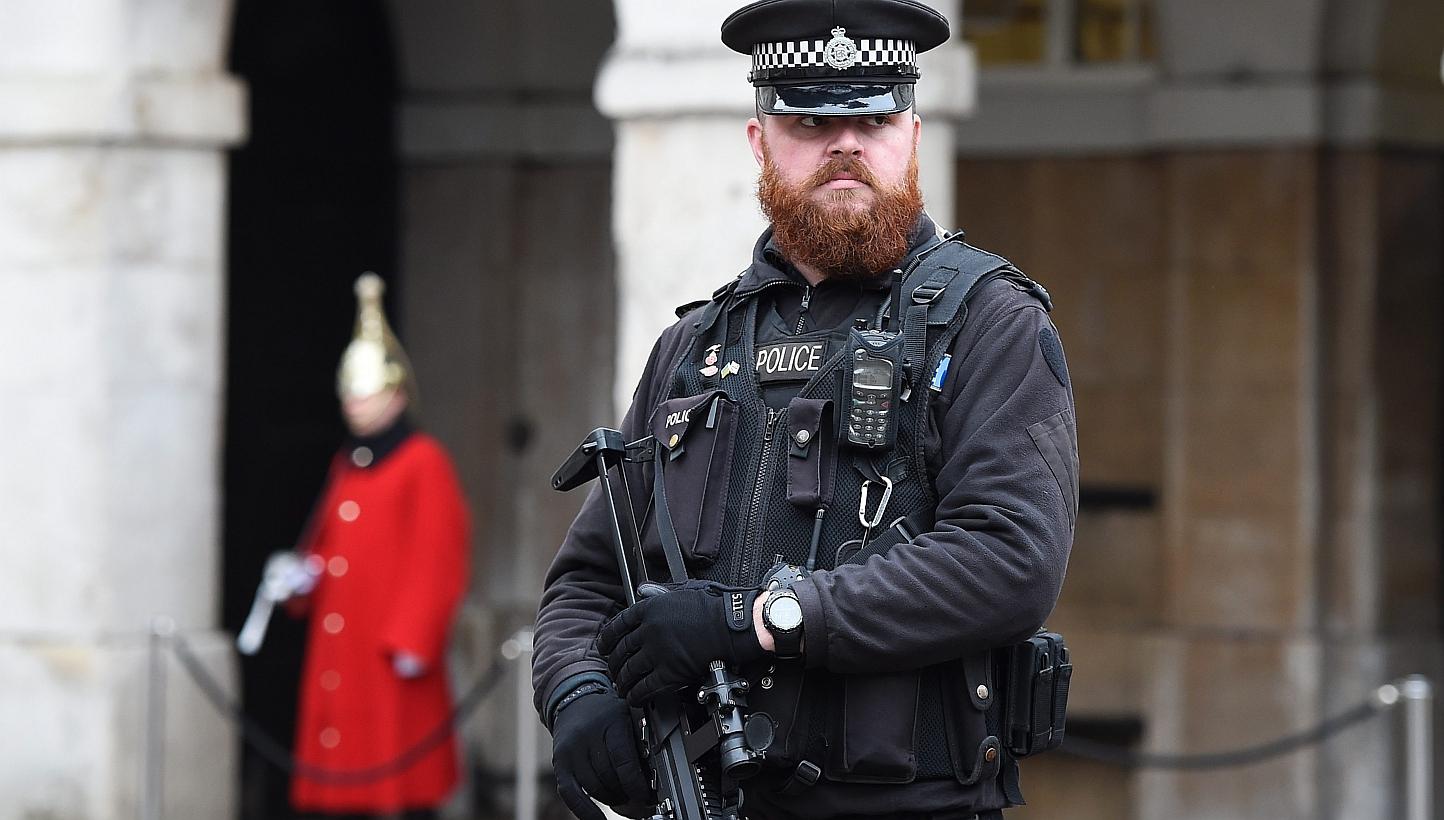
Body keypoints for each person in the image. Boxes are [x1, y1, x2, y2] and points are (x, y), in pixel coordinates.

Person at [532, 1, 1077, 818]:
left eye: (874, 117)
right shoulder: (694, 347)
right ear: (760, 142)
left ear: (914, 135)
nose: (845, 144)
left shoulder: (990, 323)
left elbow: (1009, 560)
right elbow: (588, 580)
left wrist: (757, 621)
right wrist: (577, 691)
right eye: (809, 120)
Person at [279, 273, 471, 820]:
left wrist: (414, 636)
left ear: (396, 393)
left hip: (388, 652)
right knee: (341, 787)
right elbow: (332, 547)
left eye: (366, 393)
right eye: (350, 393)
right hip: (343, 645)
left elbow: (439, 556)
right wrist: (304, 578)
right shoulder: (349, 462)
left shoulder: (422, 460)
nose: (354, 405)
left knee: (396, 783)